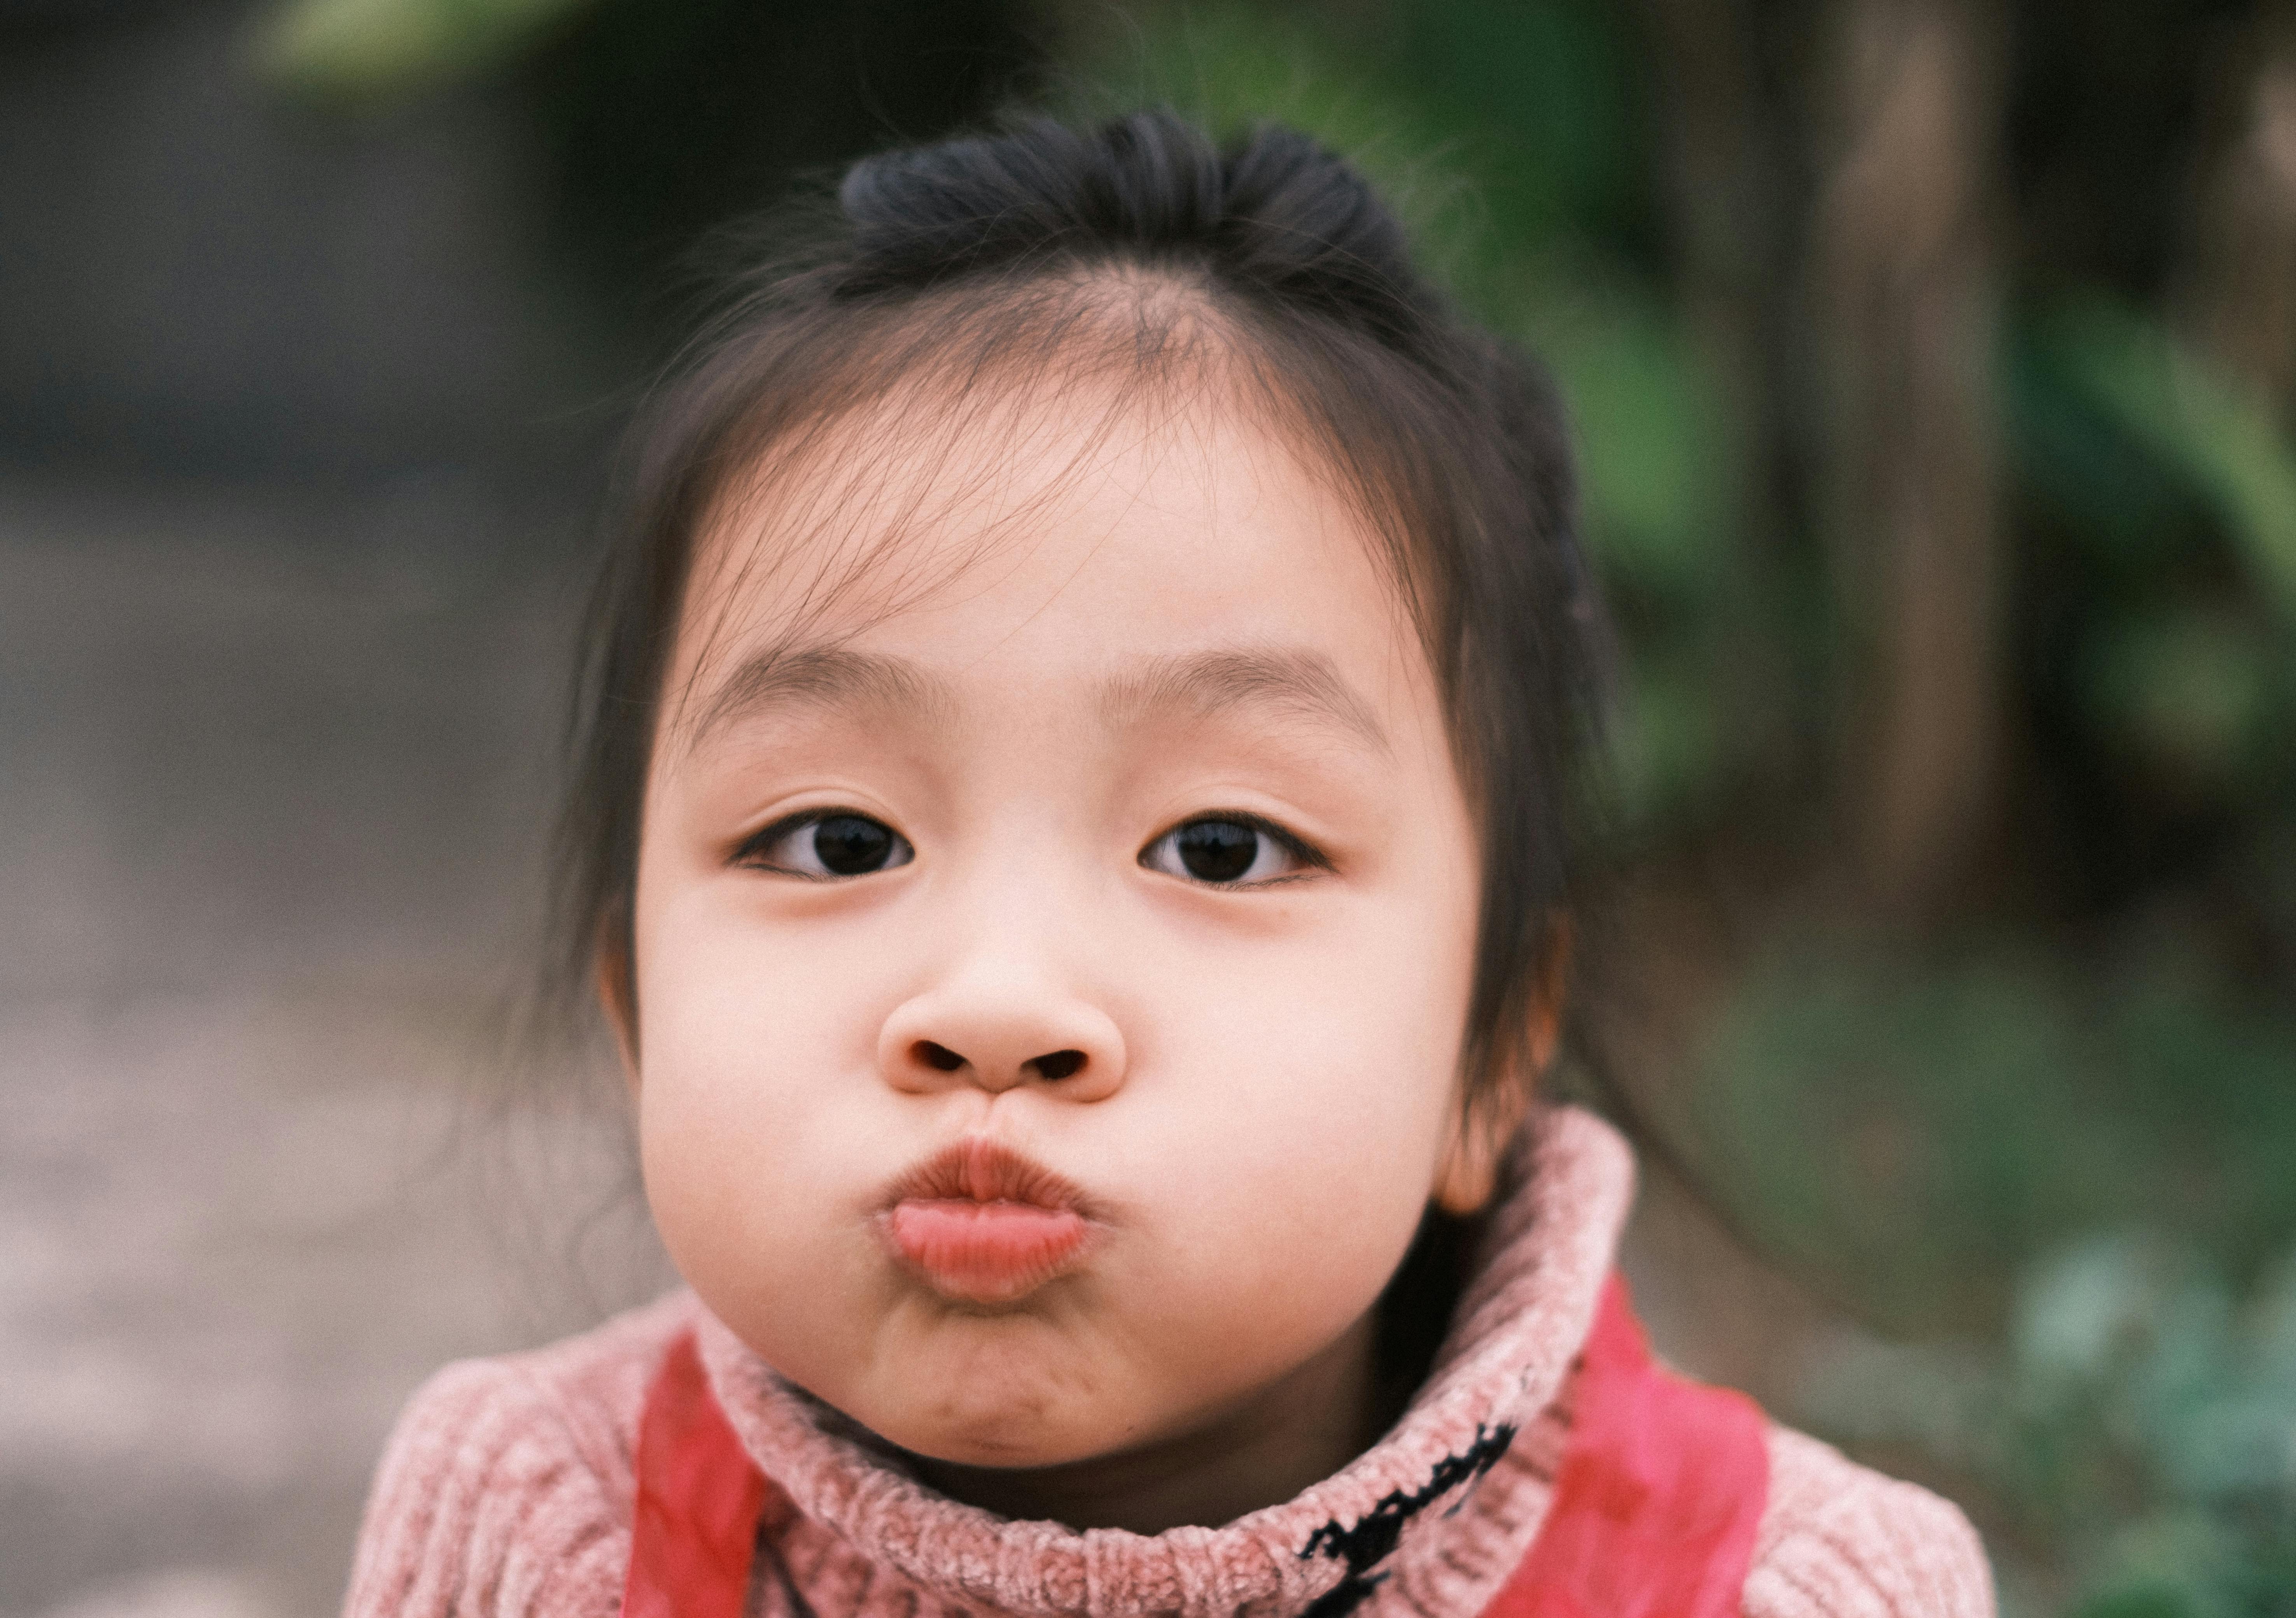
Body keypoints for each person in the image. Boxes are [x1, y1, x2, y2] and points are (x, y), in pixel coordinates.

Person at [343, 112, 1992, 1618]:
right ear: (635, 1011)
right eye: (839, 838)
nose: (996, 1004)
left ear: (1492, 1052)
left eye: (1222, 845)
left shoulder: (1783, 1592)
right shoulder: (544, 1529)